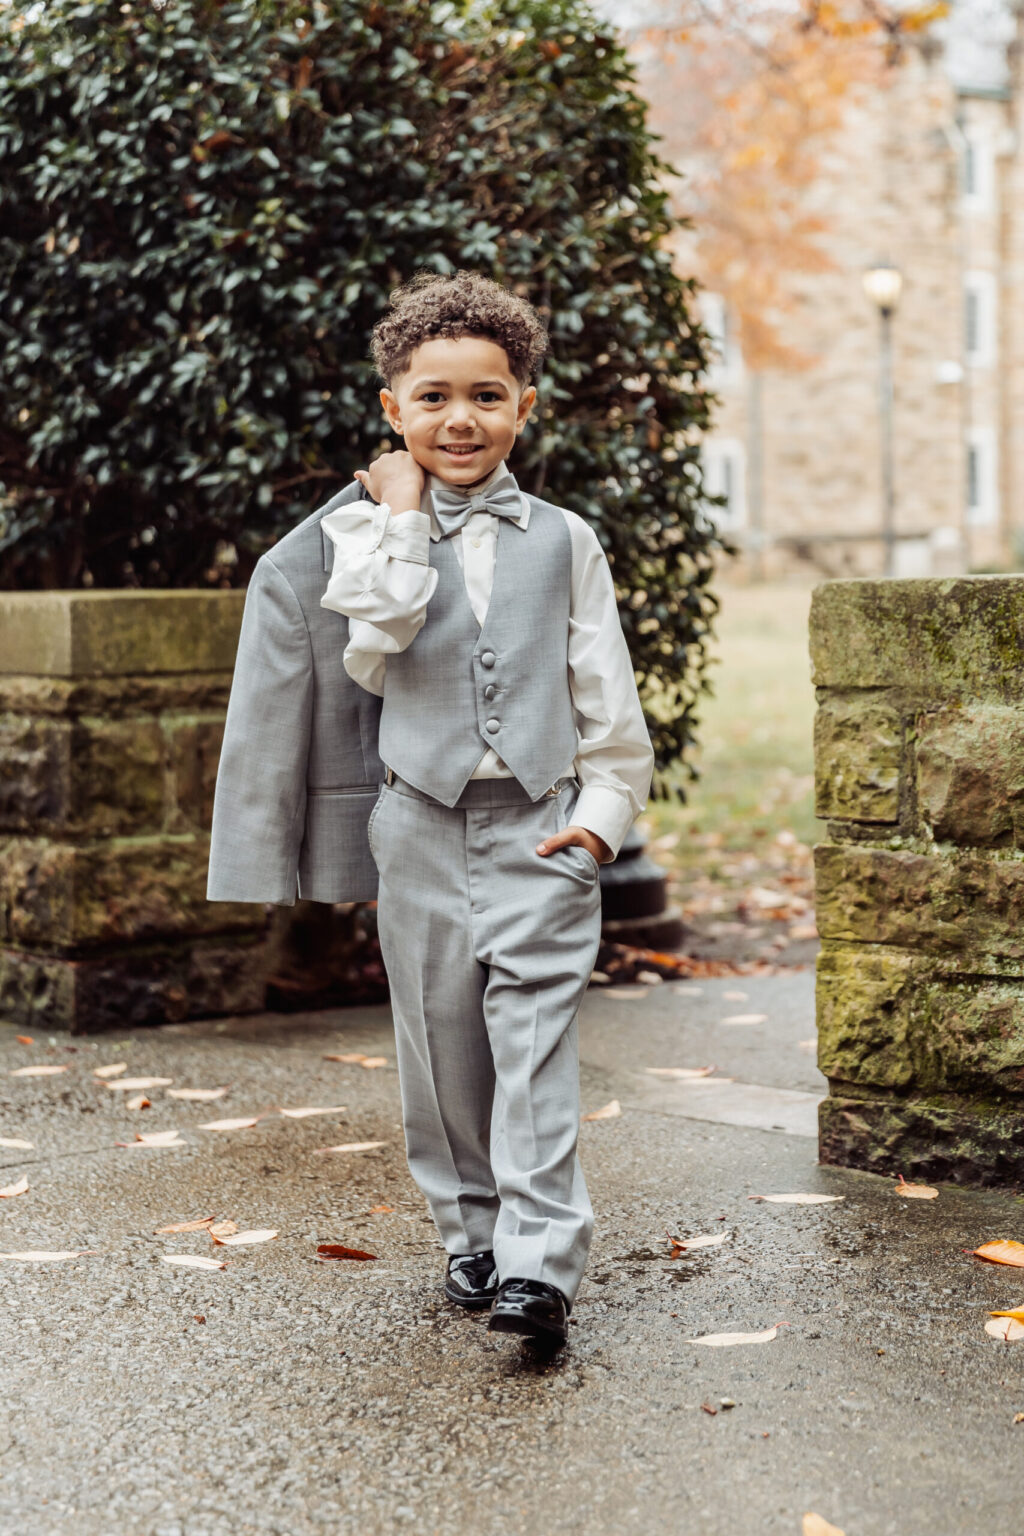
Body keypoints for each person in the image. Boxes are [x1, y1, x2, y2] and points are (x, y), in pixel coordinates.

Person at [207, 268, 653, 1348]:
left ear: (525, 408)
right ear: (392, 412)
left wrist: (598, 821)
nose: (462, 418)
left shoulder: (565, 539)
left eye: (488, 395)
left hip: (542, 826)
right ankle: (470, 1229)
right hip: (417, 825)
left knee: (537, 1048)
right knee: (443, 1049)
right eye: (435, 397)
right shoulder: (363, 538)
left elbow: (610, 702)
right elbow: (375, 646)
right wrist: (401, 518)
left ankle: (541, 1267)